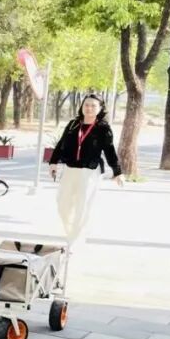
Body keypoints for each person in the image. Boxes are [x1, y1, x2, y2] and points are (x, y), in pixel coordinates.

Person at [48, 93, 124, 248]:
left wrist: (117, 171)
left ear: (100, 108)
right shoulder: (73, 124)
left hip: (89, 172)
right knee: (62, 204)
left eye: (93, 106)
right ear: (82, 106)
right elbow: (61, 143)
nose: (89, 108)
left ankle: (74, 241)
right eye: (86, 105)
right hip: (70, 169)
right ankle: (72, 232)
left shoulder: (103, 128)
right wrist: (53, 162)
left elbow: (109, 150)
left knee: (82, 206)